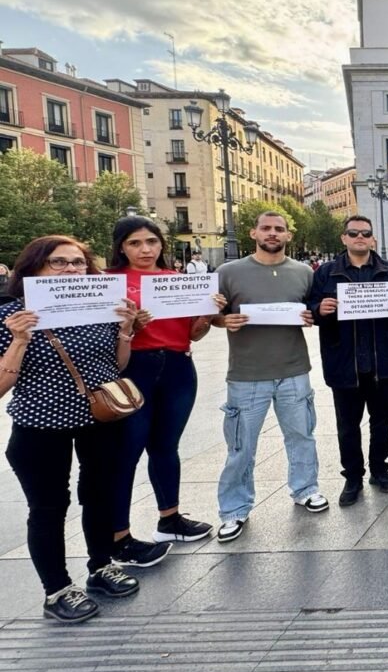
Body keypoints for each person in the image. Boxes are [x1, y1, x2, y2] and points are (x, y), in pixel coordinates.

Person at [0, 236, 141, 623]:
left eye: (78, 263)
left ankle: (101, 566)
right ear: (34, 269)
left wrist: (125, 330)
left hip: (100, 419)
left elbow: (117, 365)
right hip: (40, 425)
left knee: (99, 495)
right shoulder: (11, 316)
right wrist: (18, 340)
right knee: (48, 507)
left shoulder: (99, 308)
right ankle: (57, 589)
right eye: (58, 263)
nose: (71, 271)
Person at [108, 217, 223, 568]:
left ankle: (170, 518)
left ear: (161, 245)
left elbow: (194, 334)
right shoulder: (108, 283)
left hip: (176, 367)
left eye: (151, 242)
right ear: (122, 247)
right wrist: (129, 326)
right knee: (126, 452)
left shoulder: (178, 281)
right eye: (135, 243)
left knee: (165, 447)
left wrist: (206, 315)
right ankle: (118, 536)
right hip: (133, 369)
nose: (145, 250)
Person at [213, 212, 327, 543]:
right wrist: (224, 322)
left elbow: (314, 309)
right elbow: (212, 316)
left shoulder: (304, 273)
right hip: (247, 374)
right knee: (240, 446)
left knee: (302, 434)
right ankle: (234, 509)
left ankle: (306, 489)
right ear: (254, 233)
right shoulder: (228, 272)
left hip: (294, 369)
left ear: (288, 236)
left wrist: (312, 316)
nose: (273, 233)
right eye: (267, 228)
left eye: (279, 229)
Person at [310, 215, 388, 507]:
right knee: (347, 425)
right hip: (345, 362)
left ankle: (379, 469)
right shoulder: (327, 273)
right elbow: (310, 308)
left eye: (365, 233)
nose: (360, 238)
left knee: (381, 421)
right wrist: (320, 308)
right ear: (344, 238)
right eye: (353, 233)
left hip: (383, 362)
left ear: (372, 239)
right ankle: (352, 476)